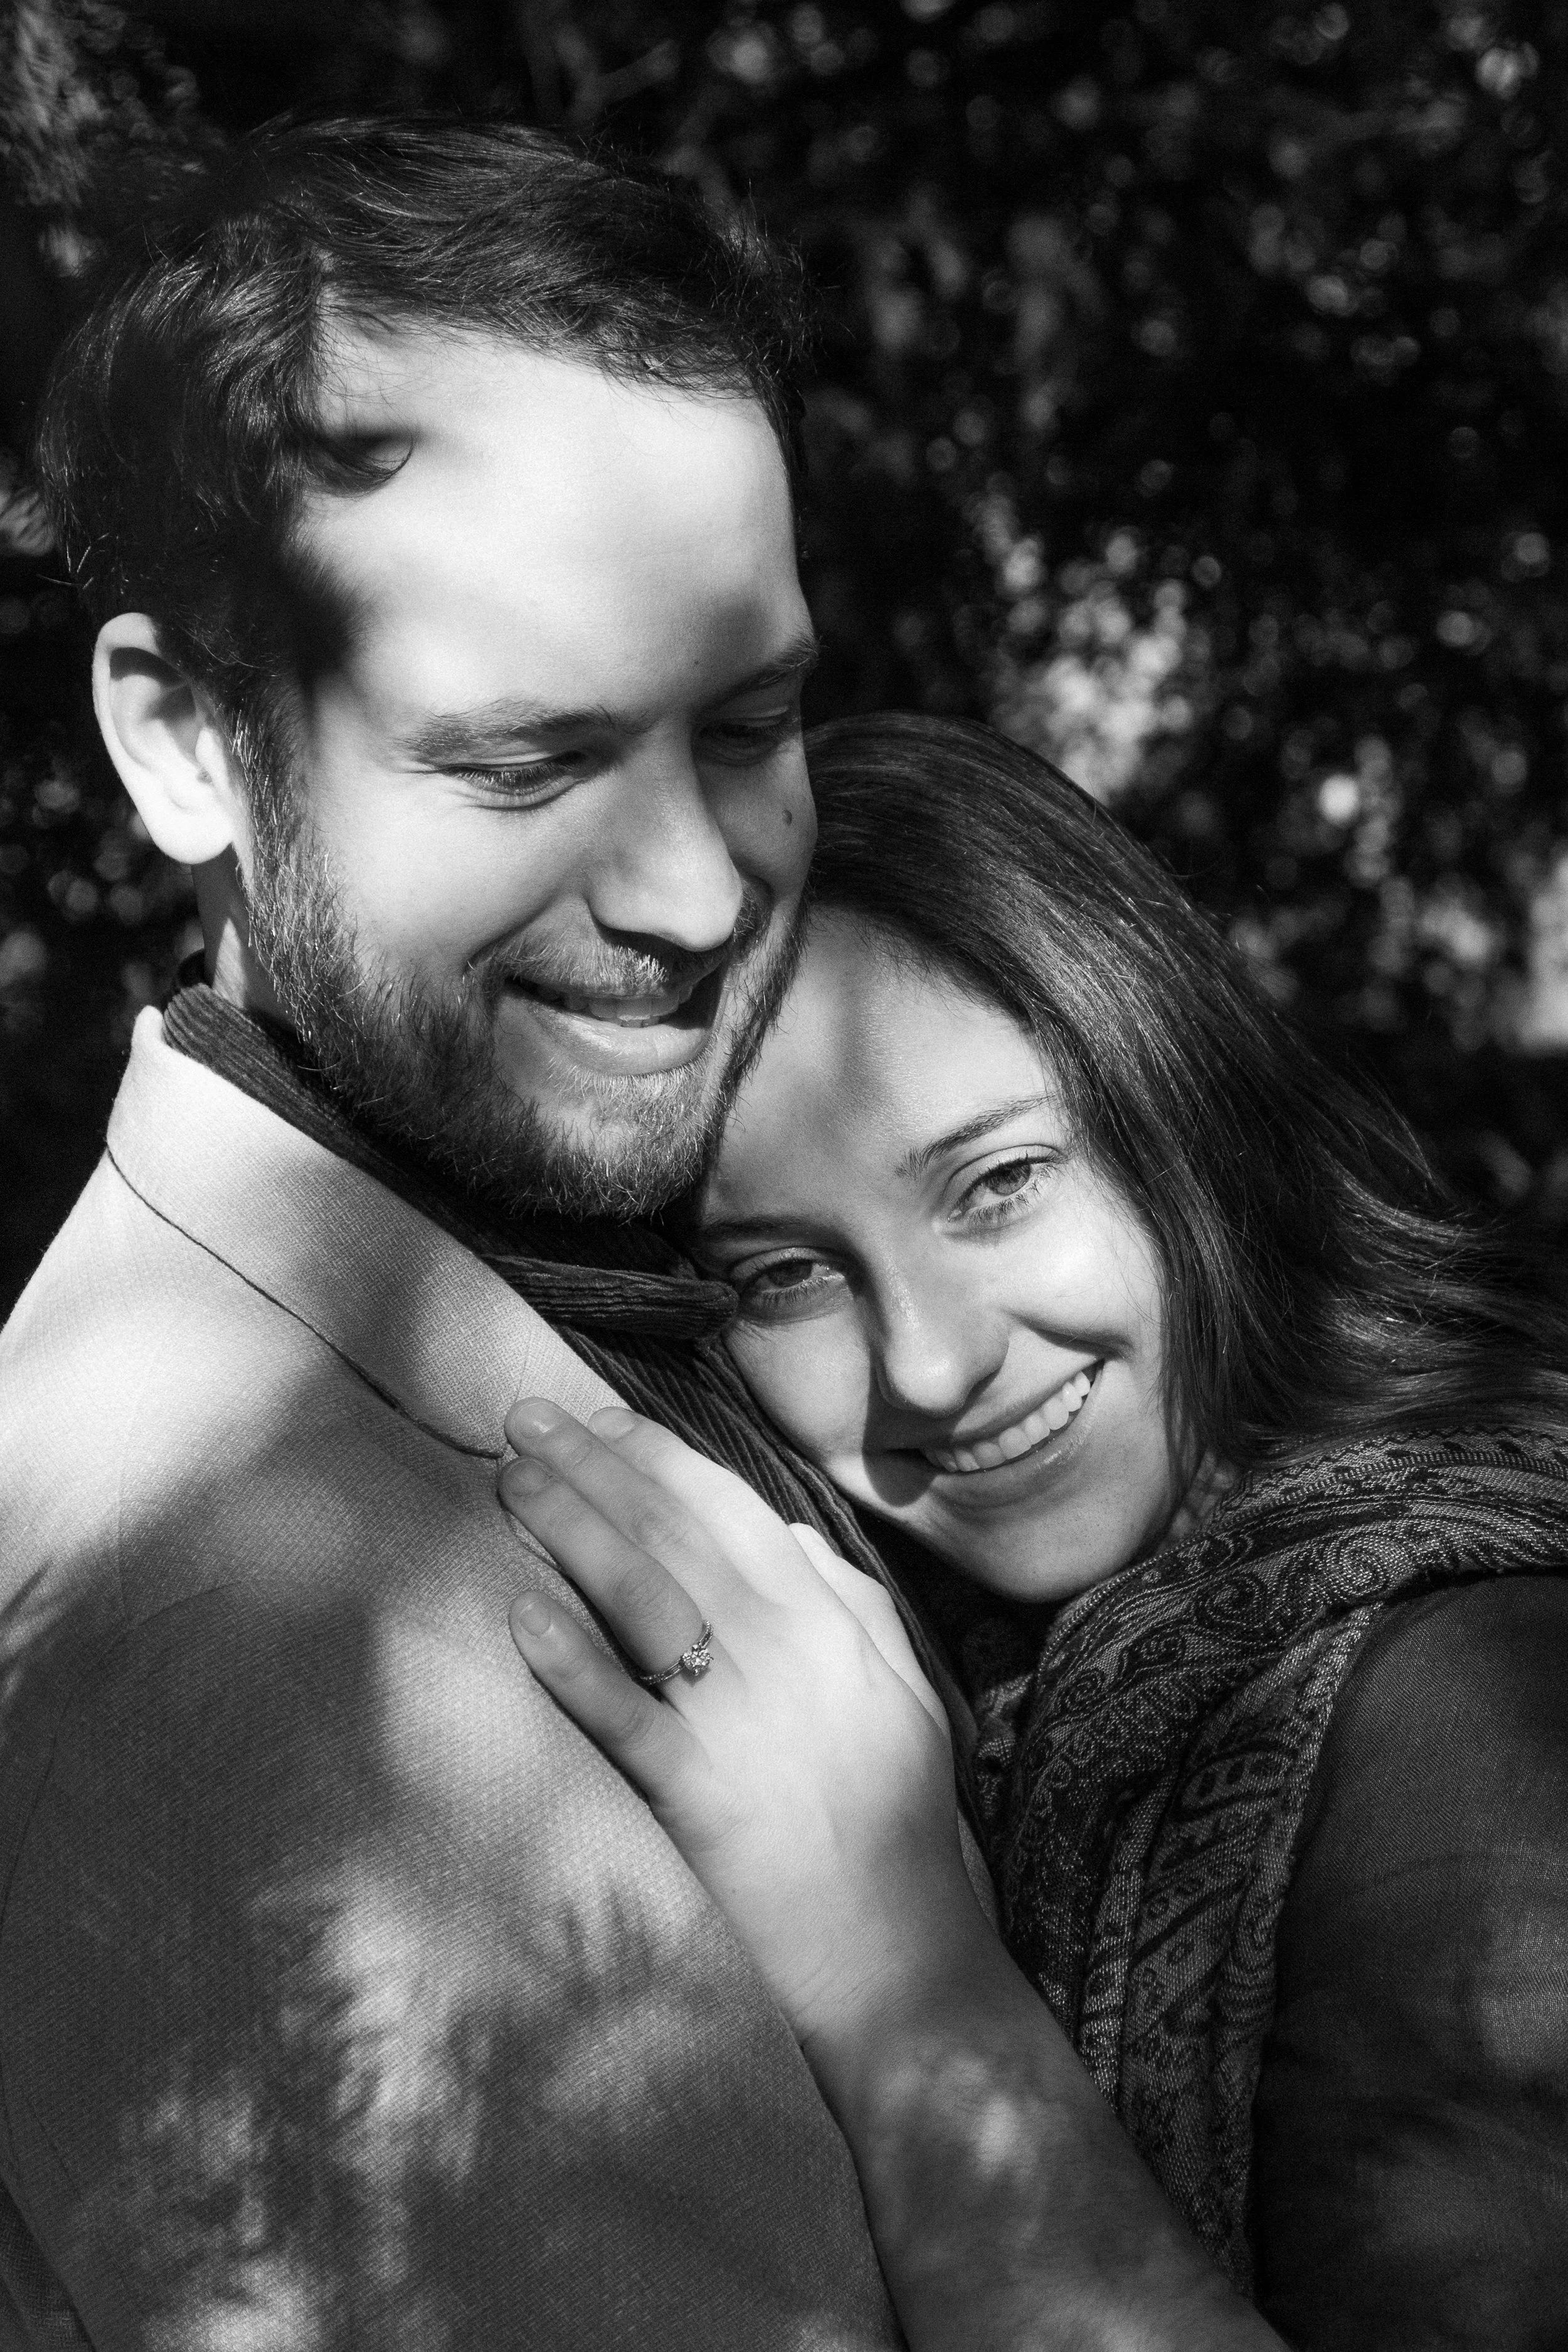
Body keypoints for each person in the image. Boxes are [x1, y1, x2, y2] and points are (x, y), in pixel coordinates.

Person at [0, 122, 1280, 2351]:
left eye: (753, 720)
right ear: (188, 741)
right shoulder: (273, 1670)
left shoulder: (523, 1319)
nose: (694, 892)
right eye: (522, 763)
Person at [498, 714, 1568, 2351]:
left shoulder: (1457, 1712)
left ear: (1175, 1107)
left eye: (995, 1183)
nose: (928, 1360)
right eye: (783, 1273)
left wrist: (895, 1972)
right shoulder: (1032, 1696)